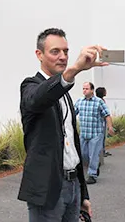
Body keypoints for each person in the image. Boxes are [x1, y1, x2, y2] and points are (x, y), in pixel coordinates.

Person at [18, 28, 105, 222]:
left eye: (66, 51)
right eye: (55, 51)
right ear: (39, 54)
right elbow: (38, 99)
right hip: (48, 189)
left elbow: (72, 146)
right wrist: (73, 70)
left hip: (73, 187)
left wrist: (83, 194)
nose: (63, 57)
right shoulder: (30, 86)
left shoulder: (64, 93)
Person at [74, 82, 115, 184]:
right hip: (84, 134)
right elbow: (73, 113)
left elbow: (107, 115)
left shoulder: (98, 102)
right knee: (83, 154)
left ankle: (92, 175)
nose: (84, 90)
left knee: (93, 155)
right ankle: (95, 166)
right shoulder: (79, 101)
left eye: (87, 89)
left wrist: (110, 127)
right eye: (83, 89)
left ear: (92, 90)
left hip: (96, 134)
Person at [95, 87, 111, 157]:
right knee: (101, 138)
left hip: (103, 121)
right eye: (105, 91)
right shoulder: (99, 101)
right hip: (101, 122)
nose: (106, 92)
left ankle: (103, 150)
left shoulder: (101, 100)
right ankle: (101, 152)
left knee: (103, 137)